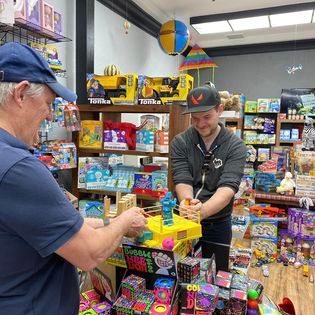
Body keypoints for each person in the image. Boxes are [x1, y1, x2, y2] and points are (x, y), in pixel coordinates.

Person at [0, 42, 147, 315]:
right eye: (47, 104)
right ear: (20, 94)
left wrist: (108, 221)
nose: (48, 115)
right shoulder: (19, 168)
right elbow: (90, 254)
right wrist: (125, 220)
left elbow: (43, 227)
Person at [170, 84, 246, 271]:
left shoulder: (235, 146)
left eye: (207, 117)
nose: (201, 123)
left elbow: (227, 188)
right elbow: (182, 178)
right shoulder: (180, 142)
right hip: (184, 220)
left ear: (220, 110)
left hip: (218, 223)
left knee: (216, 276)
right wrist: (187, 204)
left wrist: (202, 212)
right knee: (180, 274)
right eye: (195, 118)